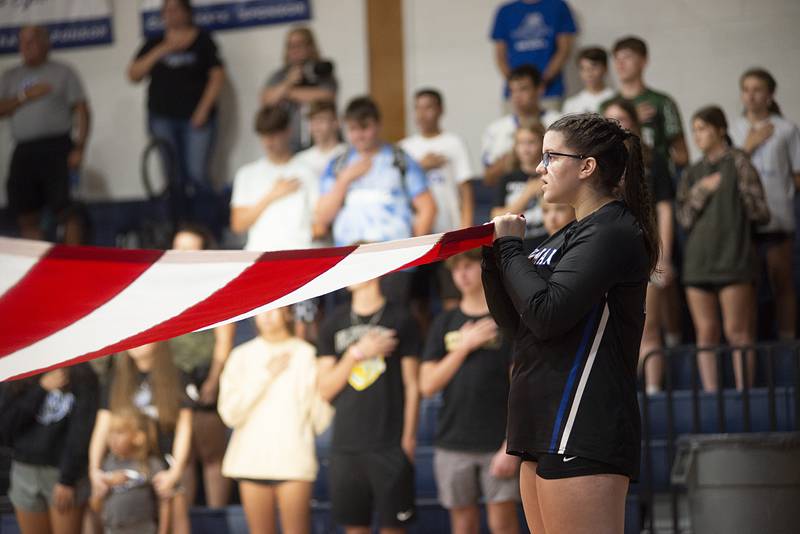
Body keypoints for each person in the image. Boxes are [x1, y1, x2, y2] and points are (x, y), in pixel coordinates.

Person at [483, 113, 657, 534]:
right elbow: (518, 321)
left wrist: (509, 251)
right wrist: (493, 260)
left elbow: (547, 313)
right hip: (540, 420)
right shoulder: (570, 234)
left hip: (582, 421)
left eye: (550, 156)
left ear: (587, 166)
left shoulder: (613, 231)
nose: (539, 168)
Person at [420, 249, 520, 534]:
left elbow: (521, 390)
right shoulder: (444, 322)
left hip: (496, 444)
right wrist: (464, 346)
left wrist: (510, 446)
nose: (461, 274)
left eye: (468, 265)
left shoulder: (506, 319)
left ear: (483, 267)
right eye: (456, 268)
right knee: (463, 526)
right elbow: (427, 385)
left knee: (503, 524)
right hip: (453, 442)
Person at [316, 274, 421, 534]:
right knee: (355, 527)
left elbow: (412, 385)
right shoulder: (333, 322)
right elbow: (325, 389)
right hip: (346, 444)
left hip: (389, 442)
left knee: (394, 527)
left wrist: (408, 438)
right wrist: (357, 353)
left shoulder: (402, 318)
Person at [676, 106, 770, 392]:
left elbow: (761, 212)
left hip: (733, 257)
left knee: (737, 331)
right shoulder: (693, 172)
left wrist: (738, 190)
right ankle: (711, 395)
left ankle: (745, 394)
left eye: (703, 128)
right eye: (694, 130)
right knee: (706, 332)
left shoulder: (739, 162)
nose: (698, 136)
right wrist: (701, 190)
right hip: (698, 262)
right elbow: (684, 218)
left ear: (720, 129)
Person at [218, 307, 333, 534]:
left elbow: (321, 414)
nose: (267, 316)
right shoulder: (241, 355)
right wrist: (265, 375)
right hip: (251, 461)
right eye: (261, 311)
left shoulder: (306, 354)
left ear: (287, 313)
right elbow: (230, 413)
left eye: (274, 310)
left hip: (293, 461)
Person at [316, 96, 436, 304]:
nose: (359, 135)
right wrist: (345, 179)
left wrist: (412, 254)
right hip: (350, 260)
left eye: (365, 127)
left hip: (394, 260)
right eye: (353, 129)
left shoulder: (399, 158)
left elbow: (428, 208)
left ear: (378, 125)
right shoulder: (338, 164)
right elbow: (322, 218)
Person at [127, 0, 226, 224]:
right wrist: (164, 49)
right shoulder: (154, 42)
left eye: (176, 9)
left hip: (197, 119)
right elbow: (133, 74)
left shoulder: (203, 41)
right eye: (166, 11)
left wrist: (203, 110)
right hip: (162, 118)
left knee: (198, 174)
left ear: (187, 12)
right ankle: (180, 231)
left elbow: (217, 77)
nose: (171, 14)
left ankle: (209, 231)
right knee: (173, 178)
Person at [604, 98, 675, 393]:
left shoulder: (652, 159)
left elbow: (665, 209)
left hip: (646, 247)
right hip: (609, 250)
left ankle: (653, 393)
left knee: (649, 326)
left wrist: (664, 255)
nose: (617, 126)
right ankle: (623, 392)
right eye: (609, 121)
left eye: (622, 119)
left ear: (634, 121)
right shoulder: (598, 164)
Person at [89, 343, 193, 534]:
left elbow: (184, 429)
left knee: (176, 518)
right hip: (126, 465)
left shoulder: (178, 377)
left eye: (146, 338)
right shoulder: (115, 378)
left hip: (164, 466)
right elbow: (102, 427)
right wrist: (94, 470)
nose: (137, 344)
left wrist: (175, 473)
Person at [0, 25, 90, 243]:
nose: (27, 46)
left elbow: (82, 111)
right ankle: (38, 269)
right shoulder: (11, 76)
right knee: (26, 214)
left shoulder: (62, 72)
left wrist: (79, 147)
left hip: (58, 147)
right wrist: (25, 96)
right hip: (24, 150)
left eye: (32, 41)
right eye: (23, 42)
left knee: (67, 211)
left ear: (45, 42)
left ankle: (73, 266)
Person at [730, 68, 800, 341]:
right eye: (746, 89)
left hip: (778, 218)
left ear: (769, 95)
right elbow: (726, 171)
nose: (751, 95)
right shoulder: (734, 130)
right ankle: (753, 347)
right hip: (743, 224)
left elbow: (796, 176)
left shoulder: (787, 129)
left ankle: (787, 343)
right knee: (748, 288)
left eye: (757, 89)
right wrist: (748, 145)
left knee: (783, 283)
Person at [168, 223, 235, 508]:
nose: (180, 254)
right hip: (171, 377)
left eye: (188, 249)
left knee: (211, 454)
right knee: (179, 457)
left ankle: (217, 517)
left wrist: (214, 378)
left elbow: (225, 339)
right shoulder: (160, 289)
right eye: (177, 247)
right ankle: (185, 519)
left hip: (205, 373)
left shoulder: (216, 289)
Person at [400, 87, 475, 311]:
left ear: (440, 110)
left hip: (449, 234)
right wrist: (420, 166)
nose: (422, 114)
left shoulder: (453, 143)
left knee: (452, 296)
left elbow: (466, 190)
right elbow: (398, 190)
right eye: (418, 108)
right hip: (417, 235)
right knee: (417, 300)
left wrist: (466, 228)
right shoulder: (404, 148)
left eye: (428, 107)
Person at [0, 365, 98, 534]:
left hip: (62, 473)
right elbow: (6, 427)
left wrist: (67, 479)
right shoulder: (20, 368)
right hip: (24, 470)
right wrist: (41, 389)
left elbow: (82, 431)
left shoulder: (82, 373)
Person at [230, 105, 317, 252]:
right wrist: (272, 195)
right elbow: (238, 224)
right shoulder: (247, 174)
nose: (268, 141)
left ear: (287, 132)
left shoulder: (307, 172)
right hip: (258, 253)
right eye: (264, 135)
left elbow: (319, 225)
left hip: (299, 253)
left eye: (274, 134)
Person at [602, 36, 688, 173]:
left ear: (643, 61)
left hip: (657, 177)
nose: (620, 63)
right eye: (616, 58)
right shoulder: (606, 106)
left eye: (627, 57)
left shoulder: (662, 101)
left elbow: (681, 153)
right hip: (617, 177)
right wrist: (632, 120)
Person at [262, 26, 337, 153]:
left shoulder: (322, 72)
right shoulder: (280, 75)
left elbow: (326, 96)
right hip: (290, 144)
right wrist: (288, 83)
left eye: (299, 45)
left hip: (321, 143)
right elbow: (266, 99)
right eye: (291, 46)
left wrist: (286, 93)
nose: (295, 50)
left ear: (310, 46)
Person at [482, 65, 560, 186]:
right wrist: (511, 159)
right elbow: (488, 179)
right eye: (513, 90)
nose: (517, 96)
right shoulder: (495, 129)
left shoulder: (559, 123)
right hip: (510, 198)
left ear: (540, 89)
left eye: (523, 89)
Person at [490, 0, 577, 108]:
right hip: (515, 96)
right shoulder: (505, 11)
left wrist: (540, 82)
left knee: (552, 124)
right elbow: (500, 56)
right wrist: (517, 86)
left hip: (549, 92)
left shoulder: (558, 6)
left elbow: (564, 49)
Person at [90, 409, 166, 534]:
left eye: (119, 432)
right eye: (110, 432)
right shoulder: (106, 465)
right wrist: (103, 489)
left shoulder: (151, 465)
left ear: (138, 437)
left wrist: (163, 531)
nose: (112, 438)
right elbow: (95, 506)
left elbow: (164, 503)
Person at [492, 123, 548, 253]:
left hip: (546, 242)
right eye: (521, 143)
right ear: (515, 147)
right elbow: (496, 217)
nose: (525, 149)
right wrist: (527, 194)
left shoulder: (550, 175)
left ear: (542, 144)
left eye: (531, 142)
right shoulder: (507, 178)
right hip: (517, 245)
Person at [562, 47, 615, 115]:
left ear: (605, 68)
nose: (588, 74)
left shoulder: (615, 98)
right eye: (583, 69)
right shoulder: (571, 104)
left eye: (593, 68)